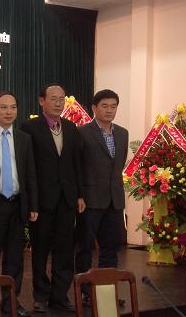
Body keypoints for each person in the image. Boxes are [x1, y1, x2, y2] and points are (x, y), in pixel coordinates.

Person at [20, 83, 85, 313]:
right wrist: (32, 201)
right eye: (53, 99)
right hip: (42, 201)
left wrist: (79, 194)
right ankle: (40, 295)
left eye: (61, 99)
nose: (58, 103)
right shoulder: (29, 128)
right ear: (42, 101)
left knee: (65, 250)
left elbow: (76, 164)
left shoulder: (71, 128)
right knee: (40, 250)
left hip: (67, 199)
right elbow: (28, 168)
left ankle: (60, 295)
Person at [0, 92, 39, 317]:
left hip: (17, 205)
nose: (8, 112)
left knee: (15, 260)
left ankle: (10, 303)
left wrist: (33, 205)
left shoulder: (24, 138)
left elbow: (30, 174)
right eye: (3, 107)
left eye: (13, 107)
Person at [75, 89, 128, 306]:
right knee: (85, 248)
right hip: (90, 199)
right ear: (94, 108)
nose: (109, 110)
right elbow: (77, 167)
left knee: (110, 249)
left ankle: (107, 293)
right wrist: (79, 195)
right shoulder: (82, 132)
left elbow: (118, 166)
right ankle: (85, 293)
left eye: (113, 106)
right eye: (104, 106)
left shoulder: (122, 133)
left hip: (114, 200)